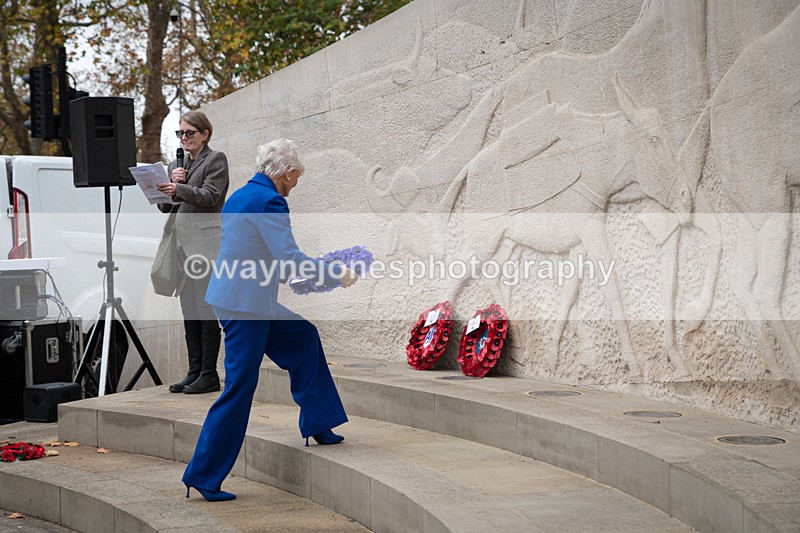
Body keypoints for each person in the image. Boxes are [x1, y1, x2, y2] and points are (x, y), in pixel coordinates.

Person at [182, 138, 357, 502]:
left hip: (242, 298)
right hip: (247, 307)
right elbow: (289, 258)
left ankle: (319, 422)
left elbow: (254, 252)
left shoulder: (242, 196)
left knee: (303, 337)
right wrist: (334, 273)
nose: (296, 182)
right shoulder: (270, 201)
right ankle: (203, 475)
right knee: (239, 387)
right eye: (296, 175)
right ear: (283, 172)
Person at [157, 111, 230, 394]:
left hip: (204, 244)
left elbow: (211, 196)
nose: (184, 138)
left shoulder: (216, 160)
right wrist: (165, 190)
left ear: (205, 134)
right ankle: (194, 371)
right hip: (180, 245)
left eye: (189, 133)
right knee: (189, 310)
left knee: (205, 308)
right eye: (180, 133)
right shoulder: (179, 165)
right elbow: (167, 206)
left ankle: (210, 374)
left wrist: (181, 186)